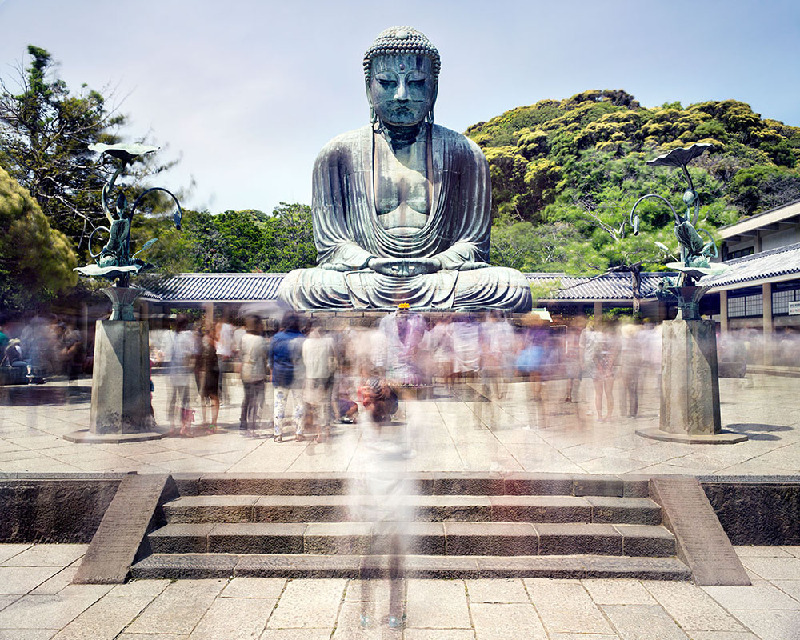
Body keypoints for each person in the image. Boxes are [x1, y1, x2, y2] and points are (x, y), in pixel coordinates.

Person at [277, 26, 531, 312]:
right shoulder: (337, 154)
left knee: (511, 285)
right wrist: (369, 261)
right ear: (368, 88)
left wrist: (436, 262)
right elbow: (332, 245)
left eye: (416, 82)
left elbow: (473, 245)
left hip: (438, 278)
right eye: (386, 83)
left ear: (434, 88)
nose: (401, 95)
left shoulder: (465, 153)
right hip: (367, 278)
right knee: (297, 286)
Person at [269, 312, 306, 442]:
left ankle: (278, 434)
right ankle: (299, 432)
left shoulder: (276, 338)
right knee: (299, 405)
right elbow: (305, 359)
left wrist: (272, 373)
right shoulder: (302, 338)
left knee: (279, 405)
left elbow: (270, 360)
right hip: (298, 377)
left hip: (280, 376)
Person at [301, 322, 337, 442]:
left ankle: (319, 434)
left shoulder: (306, 343)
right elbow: (334, 358)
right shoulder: (329, 341)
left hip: (311, 376)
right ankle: (326, 432)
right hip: (326, 376)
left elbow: (305, 361)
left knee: (315, 406)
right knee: (325, 405)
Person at [239, 316, 268, 437]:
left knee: (247, 398)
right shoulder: (260, 340)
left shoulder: (243, 338)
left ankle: (243, 422)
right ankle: (252, 424)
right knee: (256, 399)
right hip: (257, 372)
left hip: (245, 370)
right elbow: (264, 355)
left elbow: (241, 354)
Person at [198, 326, 221, 431]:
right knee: (212, 399)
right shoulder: (211, 342)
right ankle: (211, 423)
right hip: (210, 373)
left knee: (206, 398)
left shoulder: (204, 341)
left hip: (207, 372)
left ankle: (207, 422)